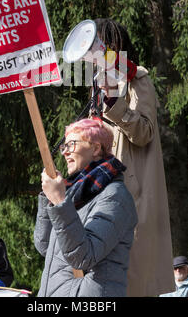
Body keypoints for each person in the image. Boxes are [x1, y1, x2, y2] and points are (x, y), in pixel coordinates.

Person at [93, 17, 175, 296]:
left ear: (114, 46)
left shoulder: (138, 78)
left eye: (99, 44)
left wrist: (115, 105)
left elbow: (144, 133)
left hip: (133, 198)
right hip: (103, 198)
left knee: (133, 281)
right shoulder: (97, 86)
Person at [34, 118, 137, 297]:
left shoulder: (115, 196)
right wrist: (49, 198)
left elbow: (83, 257)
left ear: (96, 149)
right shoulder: (74, 194)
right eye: (64, 147)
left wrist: (59, 201)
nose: (65, 152)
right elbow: (44, 246)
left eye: (72, 144)